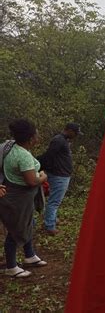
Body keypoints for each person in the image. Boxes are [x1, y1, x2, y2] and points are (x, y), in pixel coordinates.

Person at [0, 119, 48, 278]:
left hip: (17, 197)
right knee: (16, 229)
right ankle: (11, 267)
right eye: (36, 133)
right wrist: (42, 176)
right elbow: (31, 181)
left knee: (28, 223)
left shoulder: (12, 147)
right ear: (31, 138)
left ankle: (29, 255)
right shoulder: (22, 155)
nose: (38, 135)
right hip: (17, 199)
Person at [39, 123, 82, 235]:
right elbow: (49, 156)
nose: (76, 135)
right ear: (68, 130)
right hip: (59, 175)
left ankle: (52, 220)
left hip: (60, 174)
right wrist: (39, 165)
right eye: (75, 132)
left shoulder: (62, 140)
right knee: (54, 201)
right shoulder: (59, 140)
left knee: (54, 200)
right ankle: (50, 226)